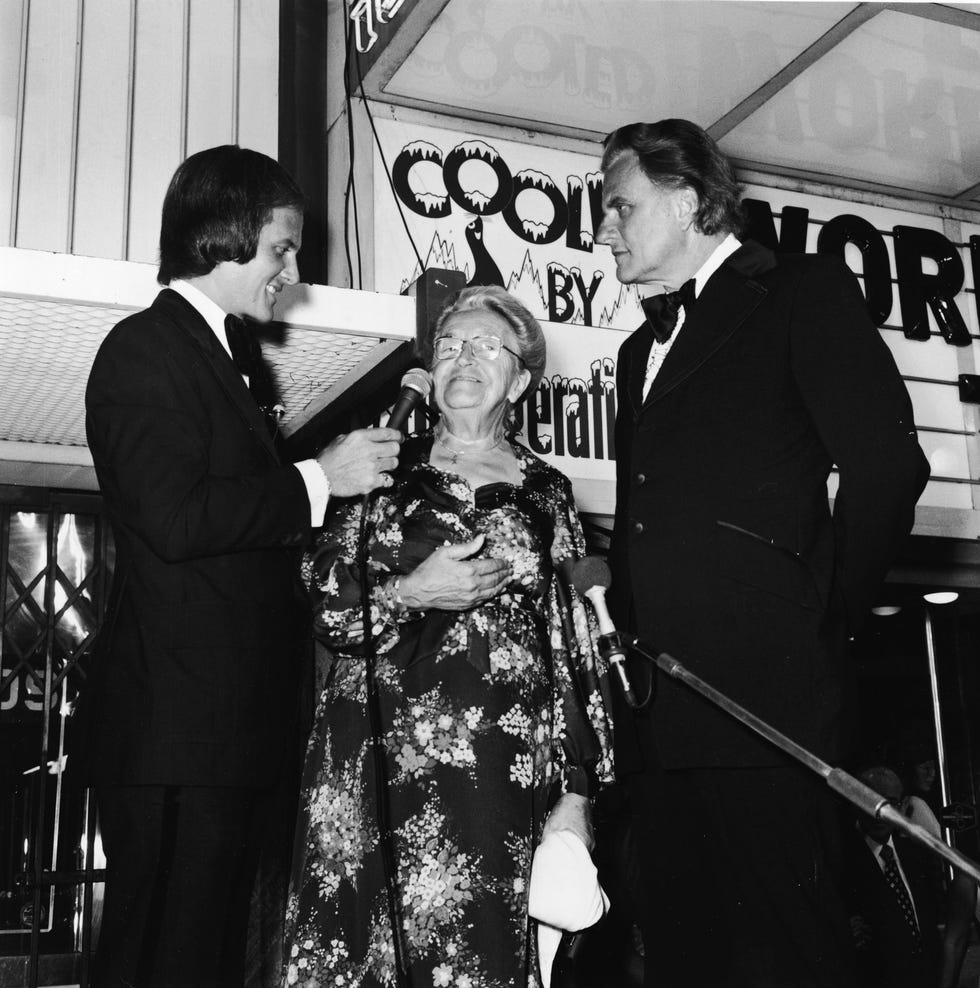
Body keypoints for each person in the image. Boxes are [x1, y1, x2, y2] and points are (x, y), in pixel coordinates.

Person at [597, 119, 930, 986]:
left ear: (685, 201)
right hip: (658, 719)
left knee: (793, 956)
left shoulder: (800, 290)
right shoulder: (637, 353)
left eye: (619, 206)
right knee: (683, 956)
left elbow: (888, 468)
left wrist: (824, 619)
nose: (603, 229)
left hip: (769, 705)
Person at [79, 144, 402, 988]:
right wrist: (317, 479)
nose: (290, 274)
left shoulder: (224, 358)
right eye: (282, 248)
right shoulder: (145, 350)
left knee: (201, 957)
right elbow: (177, 518)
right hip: (177, 737)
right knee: (164, 958)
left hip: (219, 736)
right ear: (223, 236)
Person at [282, 285, 615, 987]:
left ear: (520, 378)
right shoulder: (372, 466)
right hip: (374, 757)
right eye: (448, 344)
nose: (463, 357)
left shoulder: (547, 492)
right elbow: (322, 601)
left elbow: (574, 644)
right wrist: (411, 591)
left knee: (481, 953)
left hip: (500, 768)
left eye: (486, 344)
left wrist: (579, 786)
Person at [843, 766, 944, 988]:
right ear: (856, 804)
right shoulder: (844, 865)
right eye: (871, 802)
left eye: (890, 803)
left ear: (901, 806)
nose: (880, 812)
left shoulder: (915, 856)